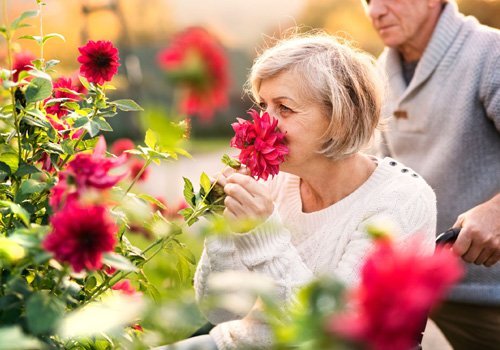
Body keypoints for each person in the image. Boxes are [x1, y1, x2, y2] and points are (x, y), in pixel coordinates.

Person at [159, 32, 437, 350]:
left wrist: (263, 234)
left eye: (285, 109)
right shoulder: (271, 181)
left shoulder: (400, 201)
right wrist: (225, 229)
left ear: (339, 119)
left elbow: (331, 336)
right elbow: (219, 311)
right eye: (263, 106)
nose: (263, 123)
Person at [363, 0, 500, 348]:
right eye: (366, 0)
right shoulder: (380, 73)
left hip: (490, 294)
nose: (374, 11)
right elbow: (384, 179)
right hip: (424, 290)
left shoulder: (490, 54)